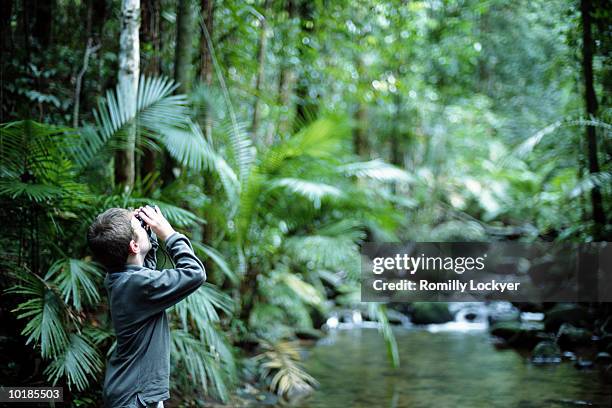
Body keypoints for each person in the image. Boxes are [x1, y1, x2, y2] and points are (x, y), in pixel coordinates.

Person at [87, 205, 206, 408]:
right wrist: (169, 234)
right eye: (140, 228)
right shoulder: (137, 285)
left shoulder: (119, 277)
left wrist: (143, 232)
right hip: (135, 397)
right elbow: (195, 273)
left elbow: (143, 266)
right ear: (133, 246)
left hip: (131, 391)